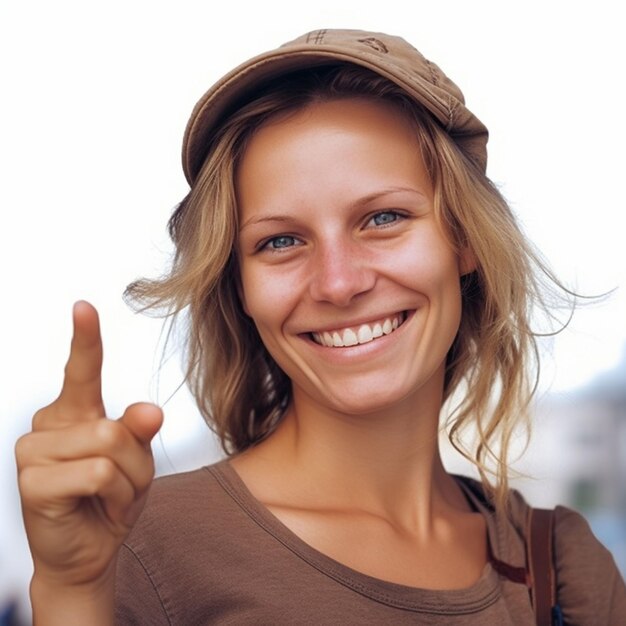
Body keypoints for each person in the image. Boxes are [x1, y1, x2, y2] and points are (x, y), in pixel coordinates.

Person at [15, 29, 626, 625]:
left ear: (464, 239)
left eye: (383, 218)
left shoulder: (561, 565)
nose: (338, 283)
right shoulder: (138, 550)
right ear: (239, 287)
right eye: (280, 241)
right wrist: (71, 594)